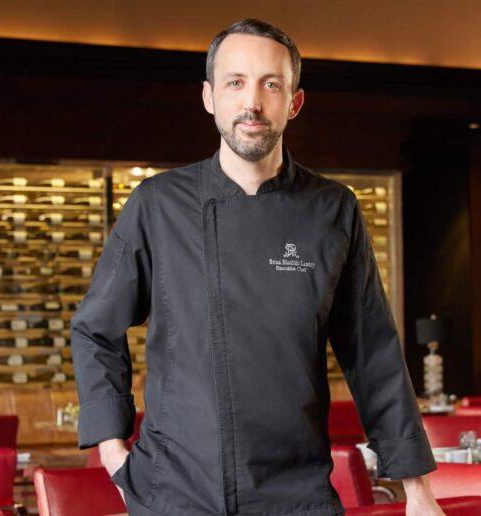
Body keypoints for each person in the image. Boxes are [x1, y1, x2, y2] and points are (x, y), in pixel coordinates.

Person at [71, 18, 444, 515]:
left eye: (272, 84)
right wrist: (113, 449)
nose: (252, 102)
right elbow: (96, 329)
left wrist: (416, 489)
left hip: (296, 493)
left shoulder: (332, 209)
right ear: (209, 97)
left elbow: (373, 352)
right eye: (235, 82)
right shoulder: (157, 205)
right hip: (177, 493)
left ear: (294, 102)